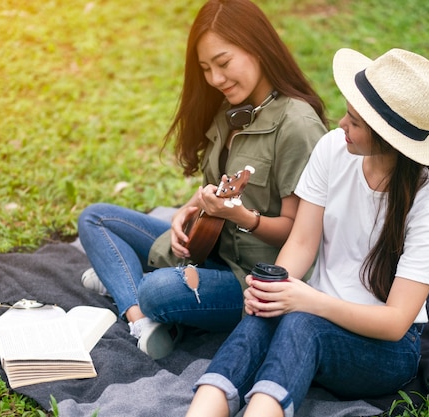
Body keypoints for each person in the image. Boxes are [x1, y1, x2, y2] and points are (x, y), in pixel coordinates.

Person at [185, 47, 429, 417]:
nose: (341, 124)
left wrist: (307, 301)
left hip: (385, 350)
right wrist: (275, 290)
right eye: (347, 111)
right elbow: (301, 241)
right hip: (312, 314)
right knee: (264, 317)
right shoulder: (334, 148)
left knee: (302, 323)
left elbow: (396, 323)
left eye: (355, 122)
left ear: (390, 140)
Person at [77, 0, 328, 360]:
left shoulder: (297, 125)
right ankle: (142, 321)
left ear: (258, 47)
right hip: (207, 249)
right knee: (95, 217)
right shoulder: (230, 109)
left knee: (157, 291)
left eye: (223, 63)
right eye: (206, 68)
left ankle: (130, 291)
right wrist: (188, 208)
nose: (215, 79)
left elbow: (300, 233)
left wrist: (243, 218)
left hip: (249, 278)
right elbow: (221, 188)